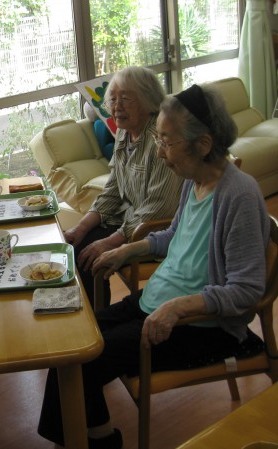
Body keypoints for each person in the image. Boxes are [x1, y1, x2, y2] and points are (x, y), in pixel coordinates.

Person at [37, 83, 271, 448]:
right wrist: (126, 250)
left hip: (201, 325)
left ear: (203, 144)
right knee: (73, 343)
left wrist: (177, 308)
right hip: (158, 302)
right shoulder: (194, 182)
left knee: (84, 361)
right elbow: (173, 235)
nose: (159, 153)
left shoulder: (238, 195)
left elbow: (246, 290)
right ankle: (97, 437)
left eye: (166, 142)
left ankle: (91, 441)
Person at [65, 66, 184, 308]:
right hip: (128, 221)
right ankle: (94, 316)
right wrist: (80, 227)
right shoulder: (124, 132)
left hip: (153, 232)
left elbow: (158, 208)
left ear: (149, 101)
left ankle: (98, 319)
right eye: (113, 99)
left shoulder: (160, 140)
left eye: (126, 99)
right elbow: (113, 188)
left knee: (88, 255)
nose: (117, 106)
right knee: (75, 245)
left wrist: (110, 242)